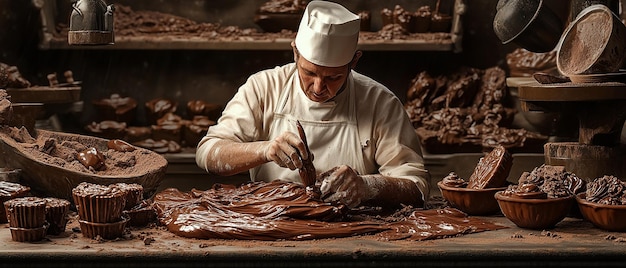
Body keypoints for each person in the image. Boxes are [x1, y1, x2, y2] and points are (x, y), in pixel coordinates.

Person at [196, 1, 430, 209]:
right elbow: (208, 153)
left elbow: (417, 187)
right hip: (270, 218)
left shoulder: (380, 102)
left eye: (333, 78)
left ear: (354, 62)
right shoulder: (264, 88)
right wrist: (264, 150)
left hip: (349, 228)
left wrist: (367, 186)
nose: (318, 87)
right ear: (295, 53)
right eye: (309, 73)